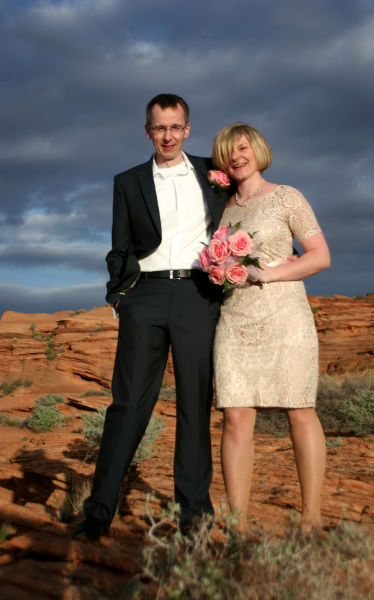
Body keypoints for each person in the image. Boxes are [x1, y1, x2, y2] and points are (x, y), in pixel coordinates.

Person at [73, 94, 227, 541]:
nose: (168, 135)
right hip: (146, 295)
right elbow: (120, 246)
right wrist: (120, 296)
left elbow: (247, 211)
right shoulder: (128, 182)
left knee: (194, 405)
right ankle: (98, 512)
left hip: (199, 294)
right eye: (160, 128)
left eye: (176, 127)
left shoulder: (214, 174)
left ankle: (193, 517)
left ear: (188, 129)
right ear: (148, 131)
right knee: (128, 404)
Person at [212, 123, 330, 533]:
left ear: (258, 150)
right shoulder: (221, 207)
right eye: (228, 152)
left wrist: (268, 273)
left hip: (284, 315)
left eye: (243, 148)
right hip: (234, 319)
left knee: (300, 410)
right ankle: (237, 525)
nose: (237, 157)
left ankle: (311, 519)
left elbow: (319, 256)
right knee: (235, 416)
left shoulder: (287, 197)